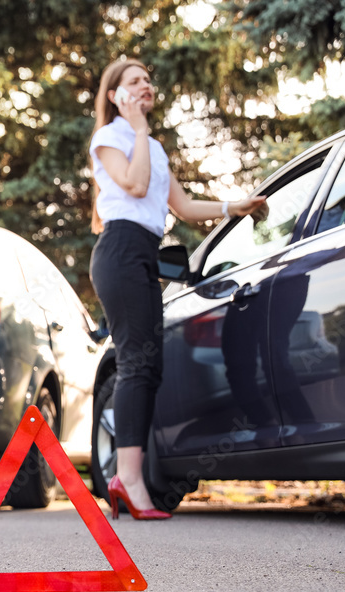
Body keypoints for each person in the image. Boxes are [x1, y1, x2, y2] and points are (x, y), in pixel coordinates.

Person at [87, 58, 268, 520]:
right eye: (133, 81)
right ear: (115, 96)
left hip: (145, 254)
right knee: (135, 364)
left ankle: (129, 476)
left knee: (149, 367)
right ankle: (128, 480)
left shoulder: (153, 146)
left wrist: (235, 206)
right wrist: (137, 126)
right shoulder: (111, 138)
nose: (145, 85)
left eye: (147, 80)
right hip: (120, 250)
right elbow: (134, 183)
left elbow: (183, 207)